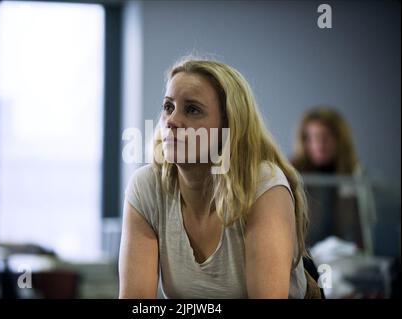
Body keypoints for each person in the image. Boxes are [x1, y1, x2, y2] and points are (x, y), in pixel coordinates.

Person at [119, 58, 318, 299]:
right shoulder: (147, 186)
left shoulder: (262, 185)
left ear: (229, 126)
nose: (171, 121)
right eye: (168, 107)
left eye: (192, 110)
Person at [291, 107, 364, 248]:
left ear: (340, 139)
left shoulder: (356, 175)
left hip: (346, 256)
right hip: (304, 256)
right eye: (311, 137)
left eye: (326, 137)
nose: (319, 144)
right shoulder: (292, 175)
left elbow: (360, 230)